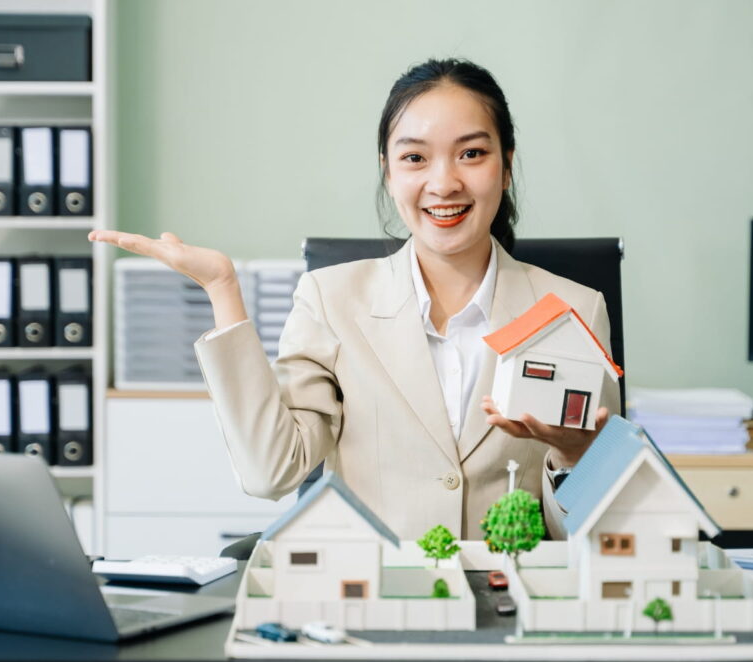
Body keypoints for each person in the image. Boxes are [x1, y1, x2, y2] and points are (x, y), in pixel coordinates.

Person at [89, 58, 621, 541]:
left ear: (506, 166)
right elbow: (271, 471)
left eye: (472, 154)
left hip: (514, 609)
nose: (443, 181)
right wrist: (223, 290)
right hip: (371, 605)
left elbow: (600, 530)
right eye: (415, 157)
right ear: (388, 172)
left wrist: (573, 455)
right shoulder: (330, 300)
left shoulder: (574, 309)